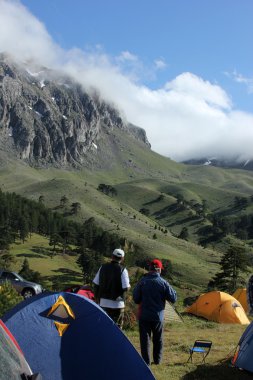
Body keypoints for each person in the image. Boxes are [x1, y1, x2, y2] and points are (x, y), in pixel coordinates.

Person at [133, 258, 177, 366]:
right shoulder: (163, 283)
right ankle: (157, 361)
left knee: (145, 340)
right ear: (159, 270)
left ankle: (145, 363)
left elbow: (136, 298)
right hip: (158, 316)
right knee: (158, 339)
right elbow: (174, 298)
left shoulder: (142, 282)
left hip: (144, 315)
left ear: (149, 269)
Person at [93, 248, 130, 328]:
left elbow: (96, 284)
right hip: (118, 304)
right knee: (117, 329)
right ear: (122, 258)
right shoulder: (123, 270)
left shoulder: (102, 267)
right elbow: (126, 287)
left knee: (103, 327)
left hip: (103, 302)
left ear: (112, 256)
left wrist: (97, 298)